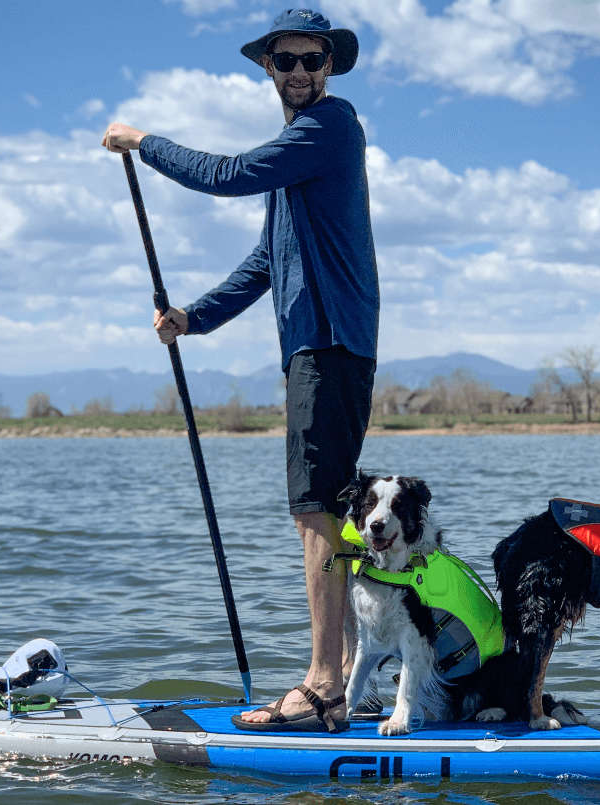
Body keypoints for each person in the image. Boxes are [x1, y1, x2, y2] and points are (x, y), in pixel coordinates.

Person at [101, 9, 377, 733]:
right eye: (285, 60)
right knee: (316, 513)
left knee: (317, 511)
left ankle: (325, 687)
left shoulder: (332, 127)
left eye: (313, 60)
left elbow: (225, 174)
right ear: (268, 69)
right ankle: (350, 673)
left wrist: (144, 141)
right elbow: (265, 263)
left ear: (329, 66)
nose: (299, 72)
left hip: (331, 342)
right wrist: (194, 317)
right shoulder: (294, 156)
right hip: (314, 348)